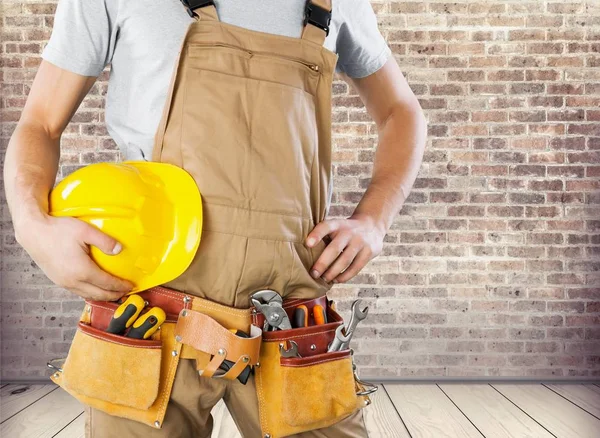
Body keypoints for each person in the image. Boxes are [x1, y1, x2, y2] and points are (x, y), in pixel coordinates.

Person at [3, 0, 427, 436]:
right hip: (150, 319)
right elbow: (40, 124)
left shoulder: (334, 3)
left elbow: (401, 112)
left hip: (290, 327)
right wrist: (31, 224)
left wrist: (374, 220)